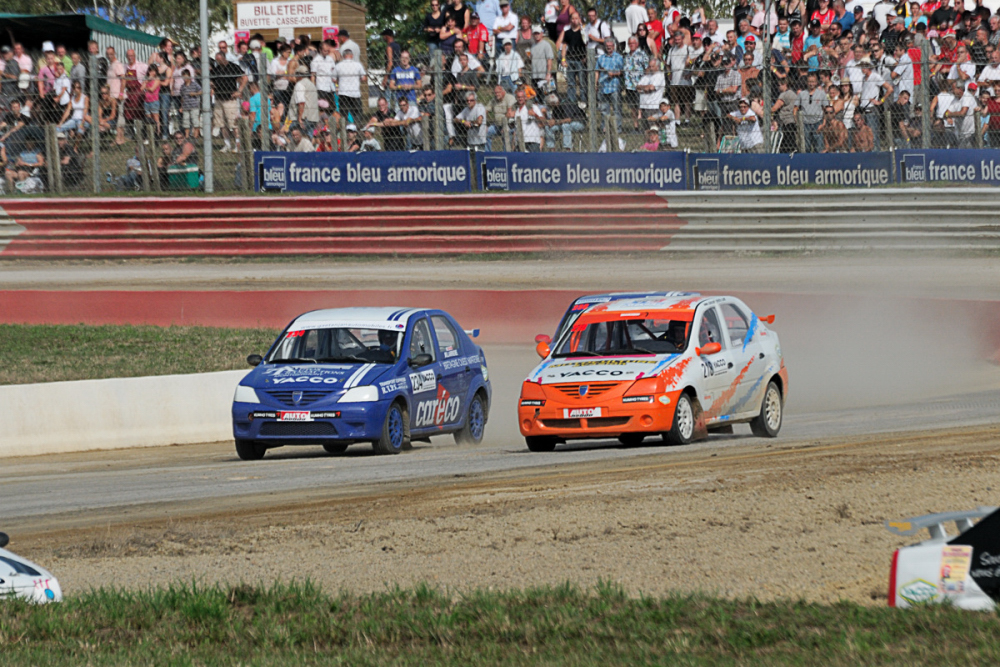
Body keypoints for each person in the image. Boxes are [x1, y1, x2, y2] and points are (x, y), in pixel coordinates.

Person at [212, 50, 246, 152]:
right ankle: (227, 144)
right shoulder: (216, 69)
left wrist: (239, 90)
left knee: (233, 124)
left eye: (219, 60)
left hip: (230, 99)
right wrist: (211, 85)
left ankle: (237, 144)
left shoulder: (233, 67)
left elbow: (244, 78)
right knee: (222, 124)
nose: (218, 62)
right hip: (219, 99)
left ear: (223, 58)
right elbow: (211, 79)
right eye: (216, 60)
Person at [557, 11, 588, 105]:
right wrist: (563, 59)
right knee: (570, 83)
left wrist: (586, 57)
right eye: (573, 18)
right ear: (570, 20)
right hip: (570, 60)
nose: (575, 20)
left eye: (576, 18)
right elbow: (564, 46)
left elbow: (587, 45)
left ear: (580, 20)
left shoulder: (583, 32)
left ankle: (584, 101)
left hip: (581, 60)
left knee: (582, 83)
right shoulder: (567, 33)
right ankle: (572, 101)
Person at [596, 37, 624, 133]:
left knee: (617, 109)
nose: (608, 47)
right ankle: (605, 128)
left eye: (610, 46)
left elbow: (622, 71)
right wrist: (596, 83)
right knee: (604, 110)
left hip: (614, 86)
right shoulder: (601, 58)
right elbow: (597, 71)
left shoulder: (619, 57)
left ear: (613, 46)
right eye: (607, 46)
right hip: (603, 87)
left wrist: (614, 74)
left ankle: (617, 128)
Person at [795, 72, 827, 151]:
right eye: (809, 81)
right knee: (807, 147)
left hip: (817, 122)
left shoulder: (821, 94)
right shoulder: (802, 94)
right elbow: (795, 108)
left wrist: (823, 123)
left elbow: (826, 109)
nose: (811, 84)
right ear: (806, 82)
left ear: (816, 82)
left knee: (818, 147)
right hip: (805, 123)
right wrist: (797, 122)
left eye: (813, 81)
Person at [334, 49, 367, 123]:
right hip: (355, 93)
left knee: (344, 113)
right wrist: (357, 80)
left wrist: (338, 83)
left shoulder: (338, 66)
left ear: (343, 56)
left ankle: (345, 129)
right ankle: (356, 129)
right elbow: (364, 78)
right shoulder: (358, 65)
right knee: (357, 112)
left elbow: (333, 79)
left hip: (343, 93)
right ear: (352, 56)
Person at [508, 86, 545, 151]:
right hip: (519, 141)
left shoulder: (533, 107)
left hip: (532, 140)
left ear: (525, 98)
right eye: (518, 97)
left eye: (522, 97)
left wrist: (535, 115)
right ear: (516, 98)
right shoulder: (515, 110)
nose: (520, 99)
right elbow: (514, 127)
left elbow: (543, 122)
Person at [292, 65, 319, 137]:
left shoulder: (300, 84)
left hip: (305, 117)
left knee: (293, 133)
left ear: (299, 75)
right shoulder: (311, 84)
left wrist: (300, 118)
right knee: (309, 137)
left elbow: (301, 102)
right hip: (313, 117)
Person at [485, 84, 516, 149]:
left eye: (498, 92)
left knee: (506, 135)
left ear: (503, 92)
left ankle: (506, 154)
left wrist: (504, 126)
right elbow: (485, 111)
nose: (496, 94)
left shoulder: (510, 98)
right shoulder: (493, 100)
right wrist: (484, 124)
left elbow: (509, 113)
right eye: (495, 93)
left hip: (508, 125)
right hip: (496, 125)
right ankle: (488, 154)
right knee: (485, 133)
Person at [531, 27, 556, 94]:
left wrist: (548, 73)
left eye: (538, 33)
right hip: (535, 75)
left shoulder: (546, 45)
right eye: (535, 33)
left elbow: (549, 60)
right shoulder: (533, 45)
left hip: (544, 75)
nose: (536, 35)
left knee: (547, 95)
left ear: (542, 34)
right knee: (537, 96)